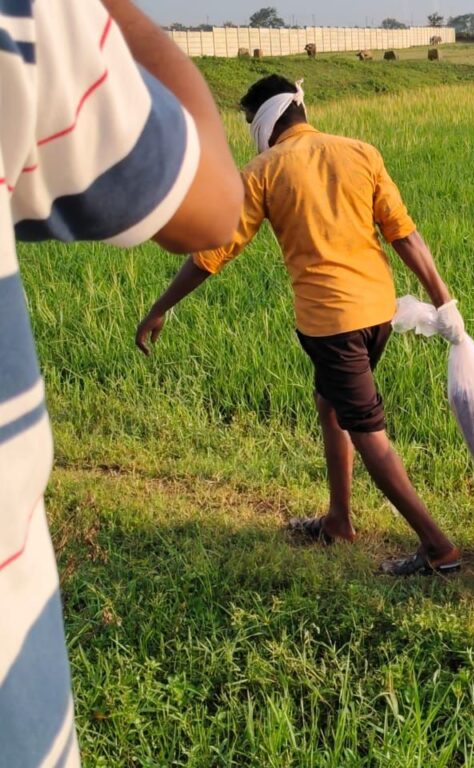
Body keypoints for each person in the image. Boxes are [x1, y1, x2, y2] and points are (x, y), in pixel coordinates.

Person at [1, 0, 243, 763]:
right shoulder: (25, 23)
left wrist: (157, 310)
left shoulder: (281, 168)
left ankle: (420, 541)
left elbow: (212, 234)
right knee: (350, 418)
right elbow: (210, 200)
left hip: (330, 318)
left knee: (349, 420)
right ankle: (353, 522)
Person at [134, 74, 464, 576]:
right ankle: (338, 521)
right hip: (378, 314)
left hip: (332, 323)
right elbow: (404, 233)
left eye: (248, 122)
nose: (249, 133)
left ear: (265, 120)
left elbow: (212, 253)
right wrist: (445, 302)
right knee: (329, 403)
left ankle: (438, 547)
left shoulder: (264, 170)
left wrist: (160, 306)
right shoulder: (361, 152)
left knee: (367, 431)